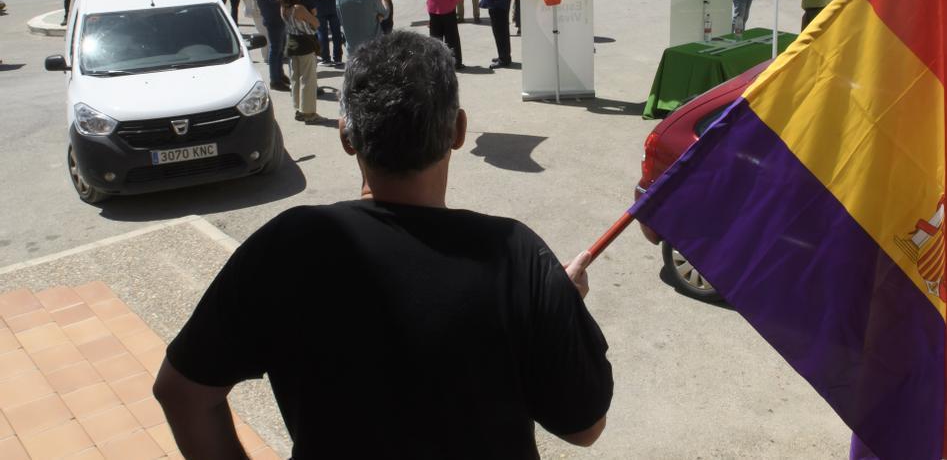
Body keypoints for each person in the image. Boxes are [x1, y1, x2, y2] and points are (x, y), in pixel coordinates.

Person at [154, 31, 613, 458]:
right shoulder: (516, 255)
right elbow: (583, 427)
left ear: (346, 136)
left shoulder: (288, 246)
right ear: (458, 131)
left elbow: (182, 392)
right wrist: (559, 309)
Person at [282, 0, 321, 123]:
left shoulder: (283, 8)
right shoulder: (299, 8)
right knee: (308, 79)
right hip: (305, 45)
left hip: (292, 44)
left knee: (296, 77)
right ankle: (309, 113)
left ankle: (298, 108)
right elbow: (316, 23)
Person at [252, 0, 289, 91]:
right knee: (275, 49)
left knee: (280, 49)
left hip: (279, 17)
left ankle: (279, 74)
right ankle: (275, 80)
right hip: (273, 18)